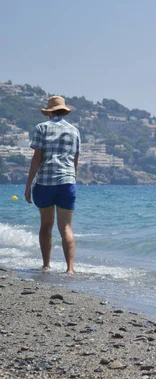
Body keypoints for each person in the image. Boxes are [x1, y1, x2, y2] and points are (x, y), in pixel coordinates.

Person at [24, 96, 81, 275]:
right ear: (63, 111)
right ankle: (70, 269)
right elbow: (75, 161)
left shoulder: (42, 128)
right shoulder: (74, 131)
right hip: (67, 182)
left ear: (49, 112)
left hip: (45, 183)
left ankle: (47, 265)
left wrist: (28, 185)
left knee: (46, 225)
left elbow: (36, 159)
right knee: (66, 228)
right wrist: (72, 179)